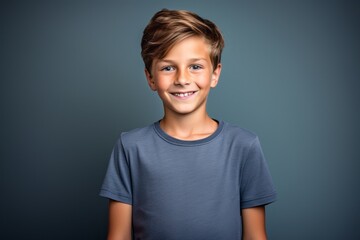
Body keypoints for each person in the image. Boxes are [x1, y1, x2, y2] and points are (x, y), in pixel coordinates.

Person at [100, 9, 276, 240]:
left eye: (195, 66)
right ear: (150, 78)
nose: (182, 79)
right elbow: (118, 236)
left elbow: (256, 236)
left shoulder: (244, 145)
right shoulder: (130, 147)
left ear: (215, 74)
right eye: (168, 67)